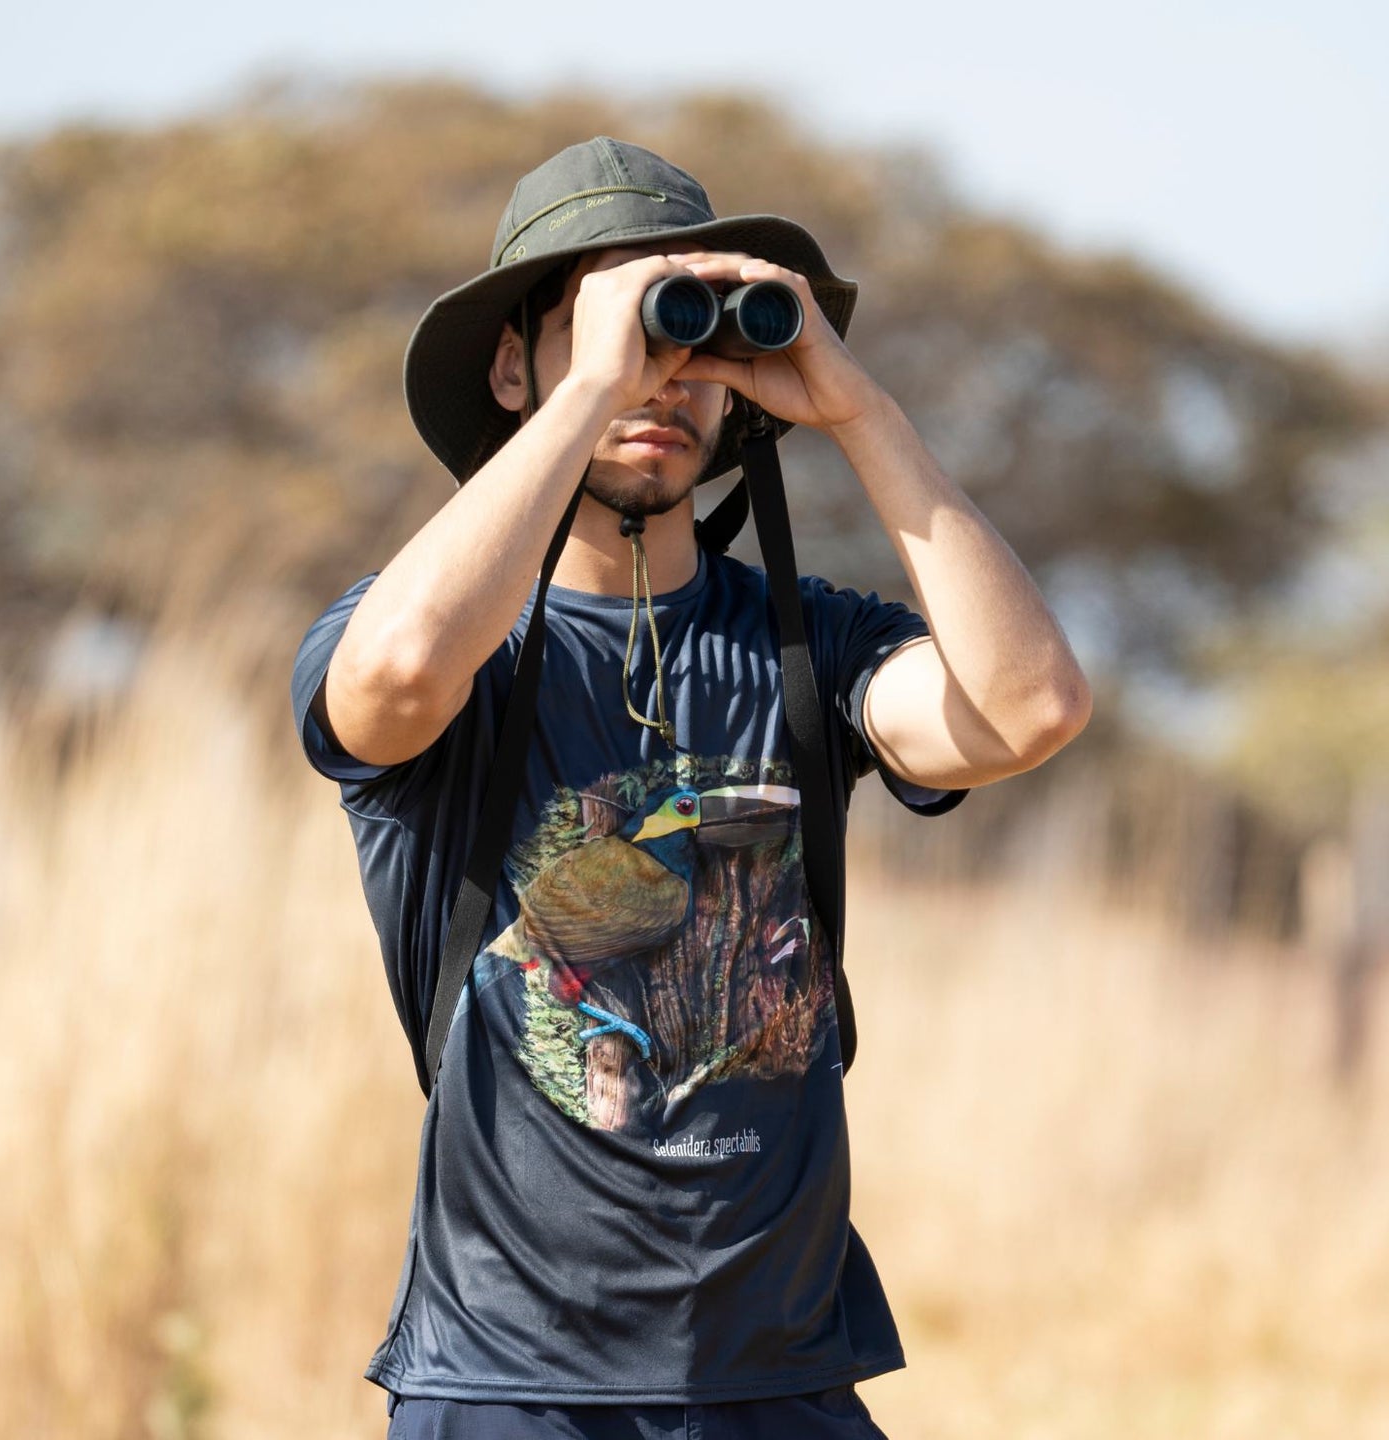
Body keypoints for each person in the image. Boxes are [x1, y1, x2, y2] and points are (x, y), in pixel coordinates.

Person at [292, 136, 1090, 1439]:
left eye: (691, 341)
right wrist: (594, 385)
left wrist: (857, 411)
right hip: (507, 1385)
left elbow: (1029, 707)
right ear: (513, 364)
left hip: (781, 1383)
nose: (662, 380)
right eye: (610, 316)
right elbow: (386, 684)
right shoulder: (451, 655)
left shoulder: (805, 642)